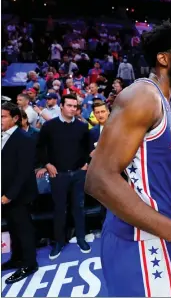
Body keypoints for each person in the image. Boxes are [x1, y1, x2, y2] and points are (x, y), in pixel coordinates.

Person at [85, 22, 171, 297]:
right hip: (141, 241)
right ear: (163, 58)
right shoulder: (144, 95)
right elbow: (98, 180)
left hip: (155, 232)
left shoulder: (161, 101)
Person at [36, 94, 91, 260]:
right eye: (69, 105)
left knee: (79, 208)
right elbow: (40, 148)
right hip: (58, 175)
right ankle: (59, 242)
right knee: (59, 209)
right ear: (61, 106)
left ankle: (81, 238)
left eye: (75, 106)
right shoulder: (49, 126)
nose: (72, 109)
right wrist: (46, 164)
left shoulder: (82, 127)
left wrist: (86, 165)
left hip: (78, 174)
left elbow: (88, 148)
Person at [1, 102, 38, 284]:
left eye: (3, 116)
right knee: (13, 228)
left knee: (24, 229)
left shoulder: (24, 139)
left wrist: (9, 196)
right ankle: (16, 258)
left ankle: (30, 263)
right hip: (5, 194)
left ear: (15, 118)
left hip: (18, 195)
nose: (0, 120)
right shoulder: (3, 136)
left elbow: (24, 172)